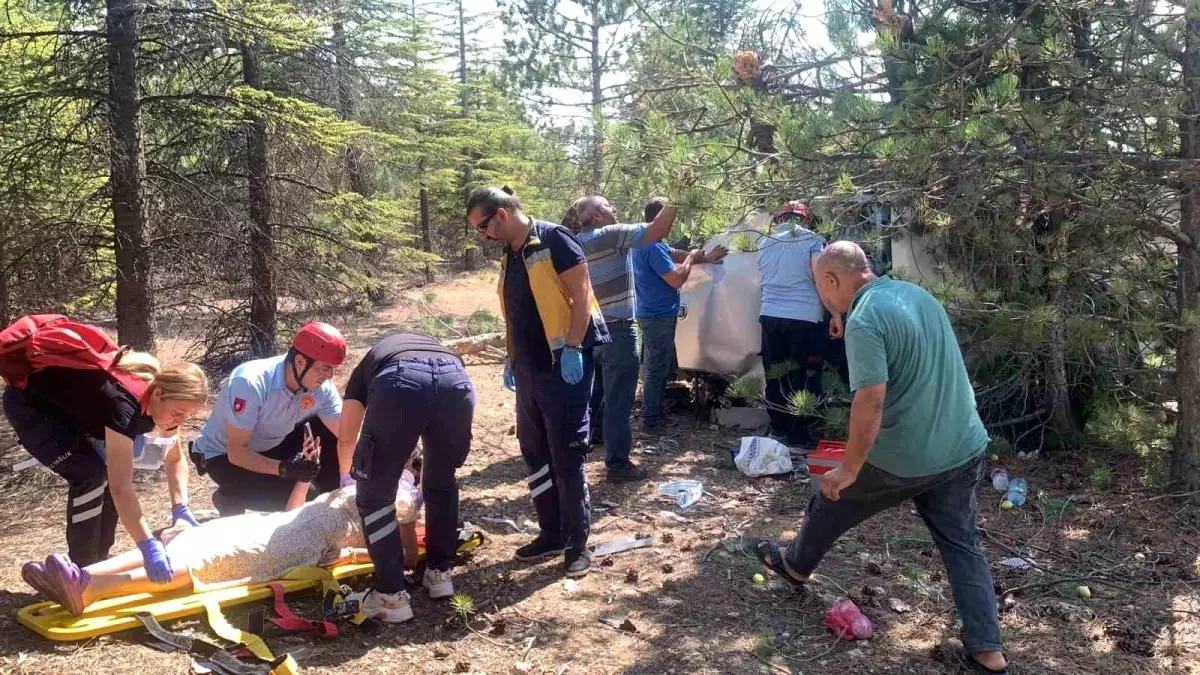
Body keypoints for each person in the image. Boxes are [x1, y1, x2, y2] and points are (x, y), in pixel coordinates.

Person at [755, 241, 1008, 675]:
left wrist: (850, 467)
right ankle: (988, 650)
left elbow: (870, 399)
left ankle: (795, 567)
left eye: (820, 286)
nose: (820, 295)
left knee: (831, 497)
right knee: (962, 544)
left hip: (906, 457)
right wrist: (839, 316)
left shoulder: (866, 319)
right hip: (962, 445)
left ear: (833, 280)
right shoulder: (915, 295)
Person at [19, 480, 424, 619]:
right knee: (196, 545)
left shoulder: (386, 490)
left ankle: (89, 585)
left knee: (204, 556)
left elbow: (402, 555)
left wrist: (350, 556)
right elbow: (402, 555)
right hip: (291, 528)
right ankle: (77, 575)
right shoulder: (394, 494)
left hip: (296, 534)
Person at [467, 185, 607, 578]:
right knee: (534, 451)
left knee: (567, 453)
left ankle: (577, 544)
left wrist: (574, 347)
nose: (483, 235)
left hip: (563, 364)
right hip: (528, 367)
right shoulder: (511, 255)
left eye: (482, 226)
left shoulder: (554, 238)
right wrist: (513, 360)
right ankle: (551, 531)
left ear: (502, 215)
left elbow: (581, 295)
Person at [3, 343, 209, 576]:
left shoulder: (162, 404)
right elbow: (122, 489)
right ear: (159, 393)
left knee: (108, 476)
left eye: (187, 415)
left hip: (70, 412)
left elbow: (175, 459)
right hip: (32, 408)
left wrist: (180, 507)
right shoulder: (124, 407)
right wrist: (148, 546)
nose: (179, 420)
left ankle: (98, 562)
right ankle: (82, 569)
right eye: (178, 412)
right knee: (90, 475)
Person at [336, 331, 475, 621]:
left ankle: (390, 596)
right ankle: (440, 574)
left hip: (401, 383)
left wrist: (351, 480)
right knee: (441, 483)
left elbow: (347, 437)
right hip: (457, 379)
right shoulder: (428, 347)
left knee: (374, 497)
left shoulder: (364, 370)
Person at [561, 195, 681, 482]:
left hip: (587, 329)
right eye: (607, 206)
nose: (614, 208)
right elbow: (656, 231)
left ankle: (584, 447)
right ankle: (617, 464)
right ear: (597, 216)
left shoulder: (574, 241)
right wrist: (676, 197)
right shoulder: (610, 234)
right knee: (619, 400)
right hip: (617, 331)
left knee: (594, 394)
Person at [191, 322, 346, 516]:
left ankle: (326, 494)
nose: (329, 376)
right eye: (324, 368)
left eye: (333, 369)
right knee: (308, 496)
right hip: (224, 457)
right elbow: (237, 453)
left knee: (331, 440)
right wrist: (286, 469)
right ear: (300, 362)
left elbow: (346, 434)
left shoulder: (321, 385)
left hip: (272, 442)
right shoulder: (250, 383)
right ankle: (229, 495)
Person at [631, 196, 727, 432]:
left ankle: (653, 415)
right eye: (670, 219)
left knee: (657, 366)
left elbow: (675, 254)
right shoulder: (651, 246)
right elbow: (676, 280)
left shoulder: (649, 241)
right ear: (659, 218)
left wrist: (703, 257)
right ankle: (651, 422)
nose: (673, 224)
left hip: (654, 313)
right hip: (658, 316)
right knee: (656, 369)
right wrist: (694, 258)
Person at [756, 200, 841, 449]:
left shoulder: (764, 241)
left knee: (775, 374)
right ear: (804, 220)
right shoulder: (813, 240)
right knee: (804, 375)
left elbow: (762, 279)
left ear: (781, 219)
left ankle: (778, 430)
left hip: (770, 314)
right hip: (803, 317)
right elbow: (820, 279)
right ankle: (799, 435)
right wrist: (835, 314)